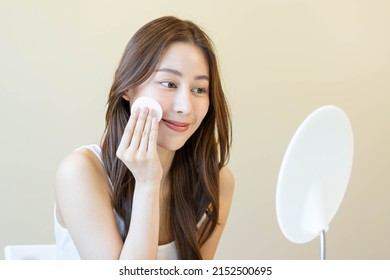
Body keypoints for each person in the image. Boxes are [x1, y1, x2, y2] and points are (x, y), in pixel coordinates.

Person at [54, 16, 234, 260]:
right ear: (128, 88)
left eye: (199, 89)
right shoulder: (80, 172)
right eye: (169, 83)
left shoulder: (216, 181)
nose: (185, 107)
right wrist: (148, 184)